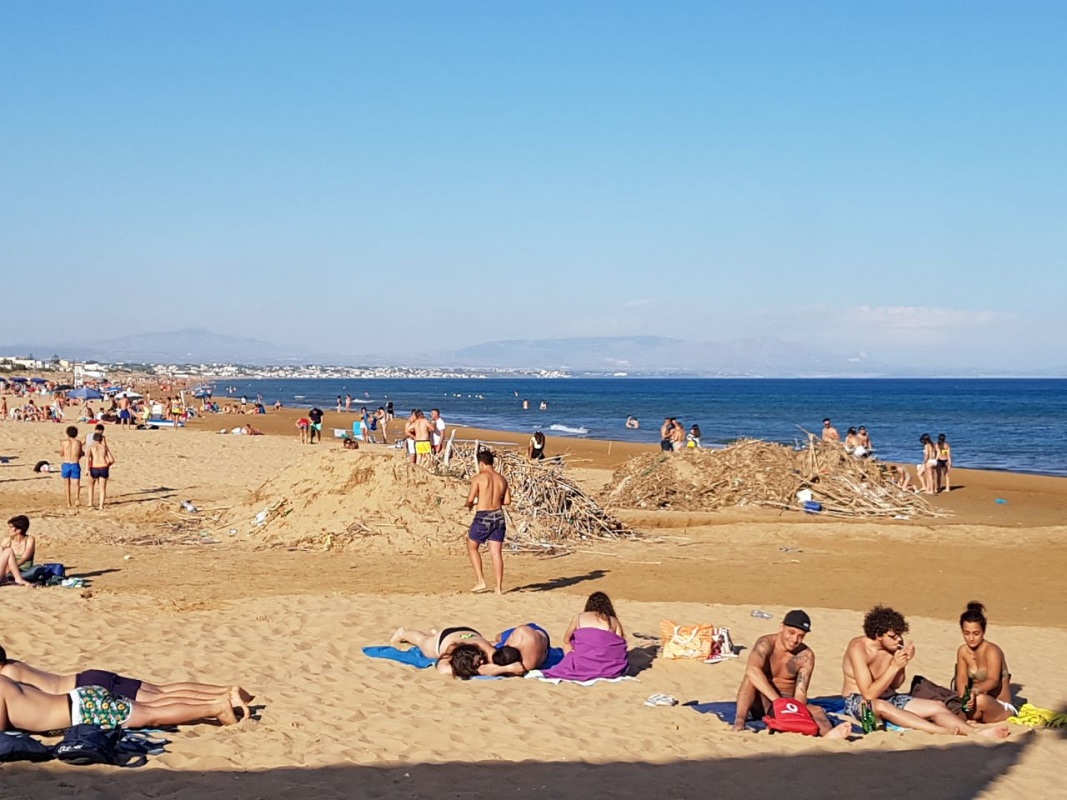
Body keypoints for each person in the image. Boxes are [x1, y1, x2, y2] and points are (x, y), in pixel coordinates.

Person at [841, 605, 1008, 738]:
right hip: (860, 700)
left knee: (936, 706)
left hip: (890, 696)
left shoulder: (893, 646)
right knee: (879, 705)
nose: (898, 640)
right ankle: (940, 730)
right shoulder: (858, 648)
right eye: (893, 636)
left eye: (899, 635)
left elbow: (897, 683)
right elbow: (869, 694)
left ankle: (974, 733)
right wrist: (894, 667)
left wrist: (903, 663)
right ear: (878, 634)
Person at [0, 646, 253, 720]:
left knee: (158, 703)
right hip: (86, 679)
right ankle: (225, 693)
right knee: (162, 692)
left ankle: (218, 702)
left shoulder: (7, 675)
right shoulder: (14, 664)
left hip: (80, 696)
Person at [732, 610, 850, 738]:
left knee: (817, 710)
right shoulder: (766, 643)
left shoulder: (805, 656)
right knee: (751, 678)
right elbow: (752, 670)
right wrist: (778, 701)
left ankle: (828, 735)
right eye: (791, 633)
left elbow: (801, 691)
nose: (795, 640)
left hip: (788, 704)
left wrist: (794, 710)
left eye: (801, 636)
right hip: (764, 700)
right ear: (781, 627)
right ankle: (740, 720)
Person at [0, 674, 241, 732]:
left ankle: (215, 707)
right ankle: (217, 700)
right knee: (155, 704)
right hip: (80, 698)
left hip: (82, 711)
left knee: (153, 714)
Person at [543, 592, 628, 681]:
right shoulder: (613, 621)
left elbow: (566, 639)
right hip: (609, 667)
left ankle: (571, 663)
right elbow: (620, 645)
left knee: (570, 641)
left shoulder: (579, 617)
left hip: (583, 663)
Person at [955, 602, 1015, 723]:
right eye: (966, 633)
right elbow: (961, 678)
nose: (971, 638)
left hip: (999, 705)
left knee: (981, 700)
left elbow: (993, 681)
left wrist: (974, 691)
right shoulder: (962, 651)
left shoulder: (992, 651)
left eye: (976, 633)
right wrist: (964, 697)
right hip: (974, 701)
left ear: (984, 631)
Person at [389, 627, 525, 679]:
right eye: (478, 663)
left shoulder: (484, 649)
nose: (482, 662)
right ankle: (403, 633)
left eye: (480, 659)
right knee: (421, 640)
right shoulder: (448, 656)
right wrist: (506, 668)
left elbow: (493, 660)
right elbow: (443, 670)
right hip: (443, 641)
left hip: (469, 634)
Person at [464, 449, 511, 594]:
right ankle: (498, 587)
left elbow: (471, 498)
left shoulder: (479, 478)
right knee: (496, 553)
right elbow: (507, 501)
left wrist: (469, 505)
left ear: (481, 463)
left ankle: (481, 581)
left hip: (483, 515)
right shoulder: (502, 479)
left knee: (472, 547)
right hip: (499, 515)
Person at [87, 432, 116, 511]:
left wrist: (87, 469)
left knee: (91, 485)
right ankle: (101, 506)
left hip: (94, 467)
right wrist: (107, 466)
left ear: (93, 439)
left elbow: (88, 458)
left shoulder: (90, 447)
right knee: (102, 489)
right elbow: (112, 460)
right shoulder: (104, 447)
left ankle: (90, 502)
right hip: (103, 467)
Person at [59, 425, 83, 508]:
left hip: (66, 463)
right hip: (75, 463)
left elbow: (61, 453)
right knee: (76, 483)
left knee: (67, 484)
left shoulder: (63, 442)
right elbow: (80, 453)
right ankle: (77, 498)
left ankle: (68, 502)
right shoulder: (78, 442)